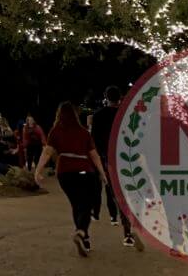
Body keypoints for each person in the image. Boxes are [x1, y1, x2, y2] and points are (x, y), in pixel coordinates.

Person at [35, 100, 109, 258]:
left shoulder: (55, 131)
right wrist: (102, 173)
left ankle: (85, 238)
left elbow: (47, 152)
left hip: (64, 174)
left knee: (77, 204)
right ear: (75, 115)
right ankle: (81, 232)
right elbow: (94, 155)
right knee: (85, 204)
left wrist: (37, 171)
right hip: (83, 171)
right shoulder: (83, 132)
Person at [89, 86, 140, 248]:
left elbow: (94, 142)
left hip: (108, 160)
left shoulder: (98, 116)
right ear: (120, 98)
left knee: (117, 195)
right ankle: (130, 225)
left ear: (106, 97)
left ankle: (128, 230)